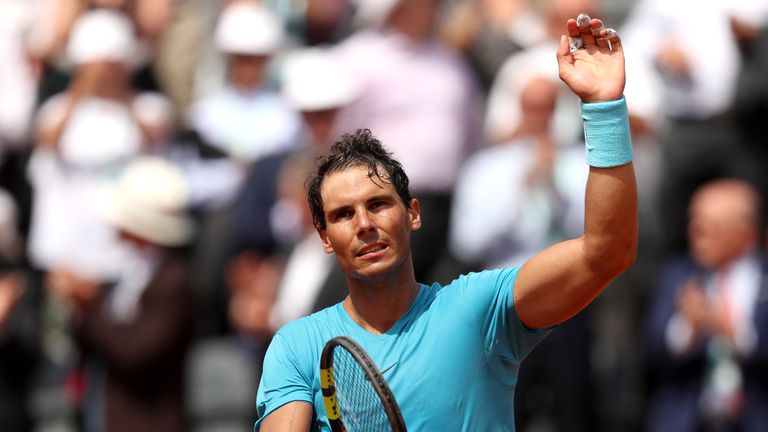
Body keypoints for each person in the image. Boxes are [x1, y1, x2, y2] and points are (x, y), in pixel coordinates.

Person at [255, 13, 636, 431]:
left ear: (413, 214)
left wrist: (604, 109)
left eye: (379, 205)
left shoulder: (479, 308)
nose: (364, 223)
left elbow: (606, 252)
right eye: (343, 215)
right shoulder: (297, 346)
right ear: (324, 237)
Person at [644, 179, 768, 432]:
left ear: (744, 233)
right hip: (687, 417)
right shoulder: (677, 274)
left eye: (708, 228)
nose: (695, 233)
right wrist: (687, 326)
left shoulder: (762, 277)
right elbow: (652, 347)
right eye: (693, 222)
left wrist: (731, 331)